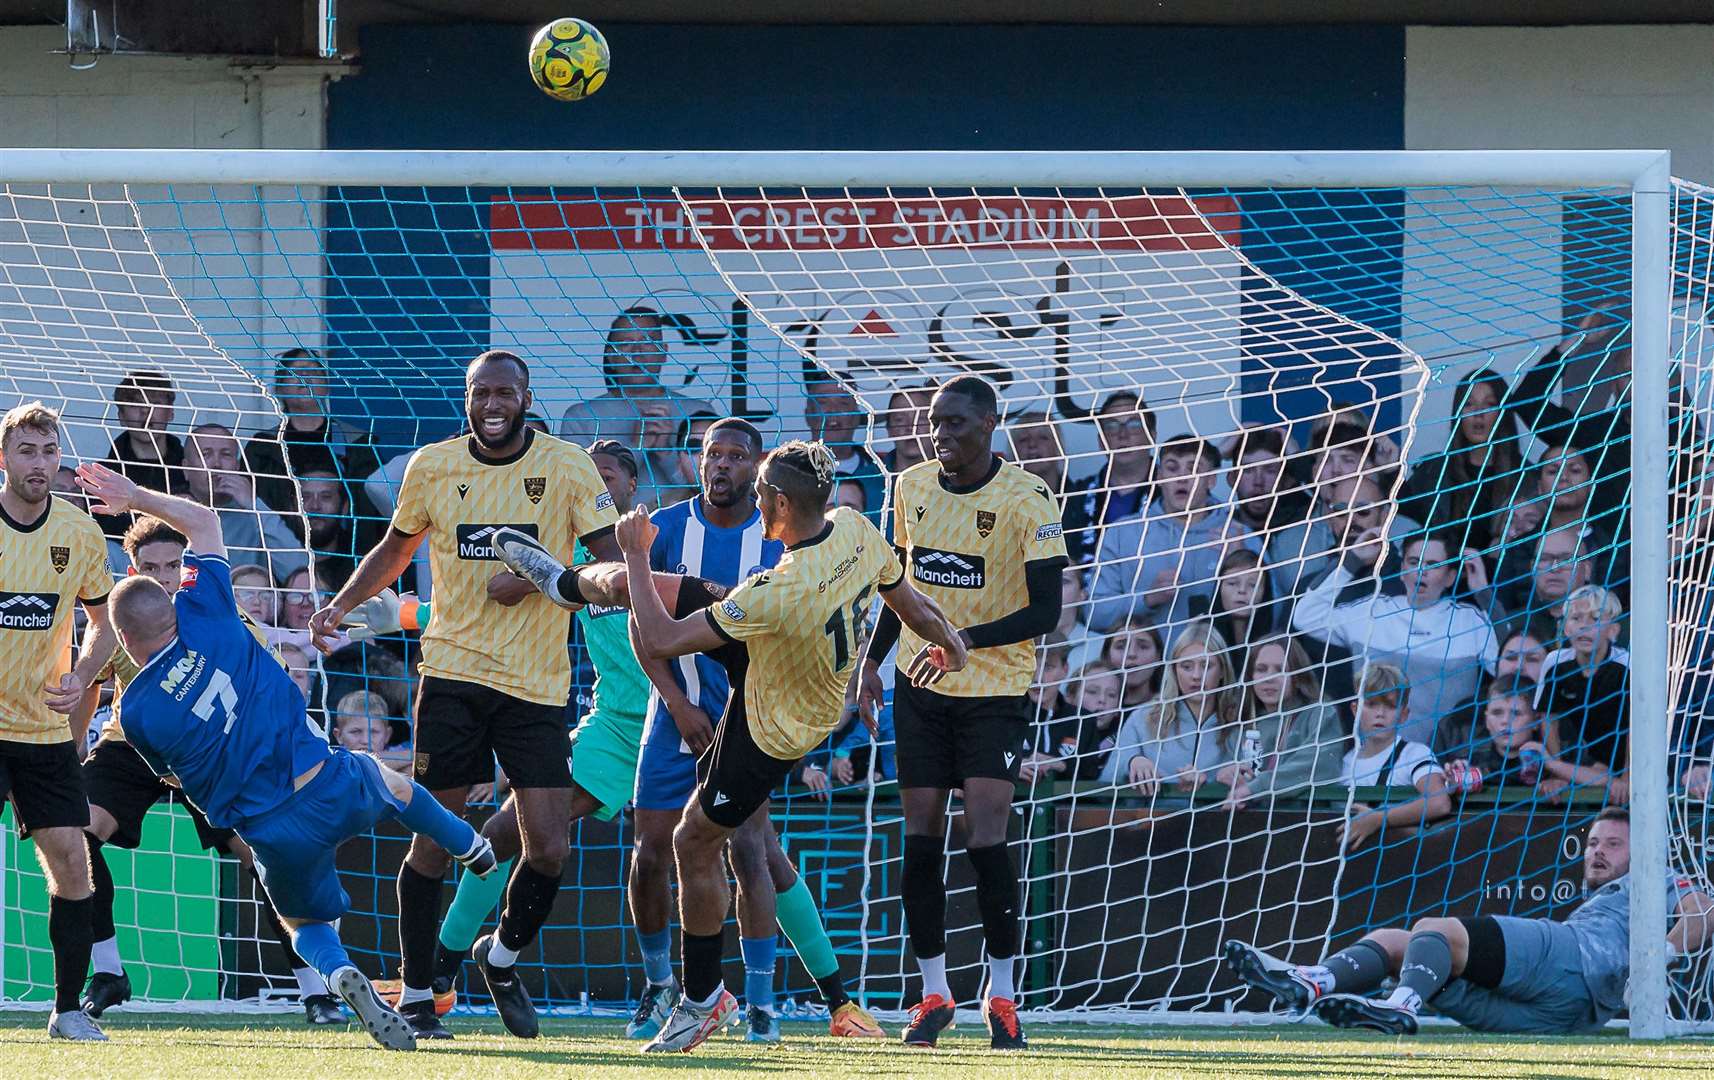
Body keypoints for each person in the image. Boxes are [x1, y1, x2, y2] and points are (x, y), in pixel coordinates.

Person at [79, 462, 496, 1053]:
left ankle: (337, 974)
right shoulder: (210, 615)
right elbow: (202, 519)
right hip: (326, 781)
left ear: (123, 642)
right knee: (391, 782)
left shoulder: (140, 712)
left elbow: (172, 773)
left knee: (305, 926)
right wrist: (132, 495)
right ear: (172, 609)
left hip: (269, 828)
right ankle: (469, 845)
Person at [307, 349, 620, 1041]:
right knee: (435, 840)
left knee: (548, 850)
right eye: (482, 393)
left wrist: (546, 573)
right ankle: (419, 997)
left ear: (526, 396)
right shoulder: (434, 465)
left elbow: (610, 563)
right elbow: (395, 547)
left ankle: (498, 958)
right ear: (468, 397)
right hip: (451, 675)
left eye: (506, 392)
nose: (493, 404)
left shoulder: (567, 466)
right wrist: (342, 603)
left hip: (537, 685)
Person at [615, 440, 968, 1053]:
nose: (752, 499)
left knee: (693, 841)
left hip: (768, 724)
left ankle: (703, 1000)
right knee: (673, 590)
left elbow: (665, 639)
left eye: (759, 494)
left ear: (779, 502)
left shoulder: (778, 589)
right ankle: (571, 582)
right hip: (793, 666)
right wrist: (952, 642)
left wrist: (637, 556)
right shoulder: (856, 529)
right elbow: (907, 600)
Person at [857, 375, 1068, 1050]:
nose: (940, 434)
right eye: (934, 423)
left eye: (954, 423)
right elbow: (902, 587)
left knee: (985, 838)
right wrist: (870, 662)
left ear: (988, 424)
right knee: (920, 838)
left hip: (995, 690)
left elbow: (1047, 611)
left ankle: (1001, 994)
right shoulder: (909, 486)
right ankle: (933, 993)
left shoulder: (1027, 497)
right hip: (921, 688)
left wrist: (964, 640)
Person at [72, 514, 342, 1026]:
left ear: (186, 565)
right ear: (132, 569)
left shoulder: (217, 610)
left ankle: (315, 988)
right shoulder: (122, 617)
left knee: (266, 859)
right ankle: (108, 970)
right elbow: (90, 683)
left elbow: (267, 677)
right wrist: (71, 755)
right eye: (150, 567)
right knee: (74, 835)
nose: (164, 576)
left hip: (215, 755)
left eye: (173, 564)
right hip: (134, 745)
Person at [1225, 808, 1714, 1034]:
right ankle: (1319, 979)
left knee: (1436, 930)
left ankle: (1400, 1004)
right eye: (1592, 843)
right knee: (1401, 941)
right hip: (1559, 1020)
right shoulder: (1603, 900)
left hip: (1573, 963)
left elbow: (1702, 915)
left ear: (1643, 850)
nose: (1597, 853)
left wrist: (1655, 962)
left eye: (1612, 844)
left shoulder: (1656, 876)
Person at [0, 401, 119, 1042]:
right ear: (4, 459)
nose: (40, 464)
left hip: (42, 727)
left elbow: (103, 623)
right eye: (27, 452)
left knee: (74, 862)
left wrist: (83, 671)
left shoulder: (78, 532)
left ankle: (67, 1009)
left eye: (49, 452)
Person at [1292, 530, 1497, 746]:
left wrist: (1483, 592)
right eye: (1413, 561)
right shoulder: (1373, 611)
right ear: (1402, 570)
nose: (1421, 571)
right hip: (1375, 759)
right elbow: (1306, 616)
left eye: (1433, 565)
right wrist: (1351, 561)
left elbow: (1510, 665)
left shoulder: (1470, 621)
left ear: (1450, 577)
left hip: (1447, 760)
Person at [1088, 435, 1259, 633]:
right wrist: (1147, 599)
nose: (1182, 477)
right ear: (1159, 477)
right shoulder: (1122, 533)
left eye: (1193, 469)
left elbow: (1274, 612)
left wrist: (1241, 565)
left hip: (1216, 661)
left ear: (1211, 480)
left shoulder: (1239, 535)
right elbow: (1094, 613)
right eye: (1172, 467)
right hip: (1144, 663)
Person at [1398, 366, 1530, 554]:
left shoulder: (1526, 477)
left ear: (1503, 413)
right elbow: (1408, 520)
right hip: (1443, 578)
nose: (1478, 413)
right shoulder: (1433, 472)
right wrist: (1390, 474)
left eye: (1489, 404)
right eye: (1469, 404)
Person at [244, 348, 381, 524]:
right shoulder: (262, 449)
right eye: (294, 372)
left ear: (326, 386)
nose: (304, 376)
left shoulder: (358, 445)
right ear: (280, 389)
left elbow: (371, 515)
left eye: (312, 370)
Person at [1101, 621, 1241, 793]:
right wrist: (1132, 761)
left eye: (1206, 666)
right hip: (1151, 818)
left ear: (1222, 671)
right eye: (1186, 667)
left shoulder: (1241, 720)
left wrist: (1213, 781)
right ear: (1174, 671)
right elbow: (1105, 782)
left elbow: (1257, 776)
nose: (1196, 676)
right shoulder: (1144, 717)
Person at [1335, 663, 1453, 852]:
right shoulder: (1344, 761)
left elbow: (1439, 802)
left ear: (1404, 715)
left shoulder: (1414, 754)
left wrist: (1379, 819)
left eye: (1390, 706)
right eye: (1372, 704)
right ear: (1355, 709)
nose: (1380, 714)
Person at [1218, 636, 1344, 809]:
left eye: (1280, 670)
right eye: (1261, 669)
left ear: (1298, 676)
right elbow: (1228, 774)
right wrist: (1225, 774)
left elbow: (1319, 764)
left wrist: (1255, 787)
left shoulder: (1320, 712)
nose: (1269, 678)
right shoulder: (1241, 724)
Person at [180, 423, 309, 586]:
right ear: (185, 468)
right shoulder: (171, 512)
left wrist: (254, 506)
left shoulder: (254, 513)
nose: (216, 464)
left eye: (226, 455)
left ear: (237, 466)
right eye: (206, 455)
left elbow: (299, 570)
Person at [1535, 584, 1630, 802]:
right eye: (1576, 618)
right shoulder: (1554, 664)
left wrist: (1628, 777)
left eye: (1595, 619)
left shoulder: (1627, 667)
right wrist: (1557, 774)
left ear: (1613, 630)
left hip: (1621, 759)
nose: (1584, 627)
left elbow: (1636, 728)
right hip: (1578, 762)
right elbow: (1548, 719)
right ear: (1565, 627)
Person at [1061, 390, 1155, 566]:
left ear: (1152, 435)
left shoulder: (1174, 490)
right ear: (1101, 441)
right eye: (1112, 426)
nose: (1123, 435)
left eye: (1134, 424)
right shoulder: (1076, 497)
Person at [94, 370, 183, 541]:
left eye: (155, 403)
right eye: (135, 404)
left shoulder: (191, 468)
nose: (145, 411)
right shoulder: (103, 475)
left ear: (170, 412)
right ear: (121, 416)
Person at [804, 371, 885, 521]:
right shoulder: (784, 472)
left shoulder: (882, 476)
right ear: (807, 414)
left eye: (843, 402)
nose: (833, 411)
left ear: (856, 416)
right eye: (822, 402)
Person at [1441, 678, 1546, 791]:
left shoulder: (1550, 761)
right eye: (1497, 713)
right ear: (1486, 721)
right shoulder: (1471, 761)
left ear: (1536, 721)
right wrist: (1452, 778)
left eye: (1516, 713)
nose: (1505, 721)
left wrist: (1557, 777)